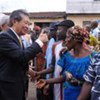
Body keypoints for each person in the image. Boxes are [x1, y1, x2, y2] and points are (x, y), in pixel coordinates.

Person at [36, 26, 95, 100]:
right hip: (68, 95)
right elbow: (65, 77)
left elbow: (91, 83)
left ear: (75, 39)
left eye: (67, 37)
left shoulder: (93, 57)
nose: (65, 40)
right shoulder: (67, 55)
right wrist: (46, 81)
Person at [0, 9, 48, 100]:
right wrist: (39, 42)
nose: (27, 26)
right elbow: (21, 56)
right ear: (15, 21)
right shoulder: (4, 37)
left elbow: (15, 59)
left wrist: (29, 70)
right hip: (7, 90)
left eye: (28, 24)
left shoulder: (17, 37)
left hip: (17, 86)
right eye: (25, 23)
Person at [35, 20, 75, 100]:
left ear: (69, 31)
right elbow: (53, 67)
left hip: (70, 86)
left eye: (60, 29)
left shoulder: (74, 49)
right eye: (57, 29)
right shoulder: (55, 46)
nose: (57, 32)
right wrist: (38, 73)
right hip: (56, 84)